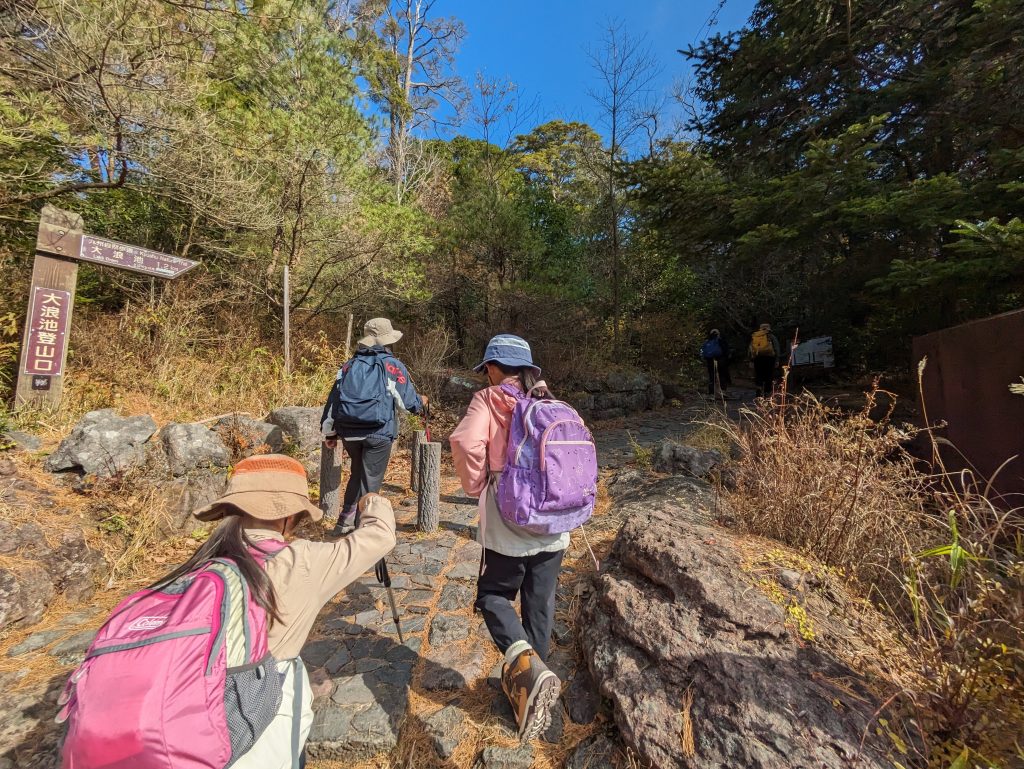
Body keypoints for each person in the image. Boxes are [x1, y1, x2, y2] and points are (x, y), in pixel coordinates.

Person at [59, 454, 397, 769]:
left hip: (169, 729)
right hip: (253, 727)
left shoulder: (202, 565)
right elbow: (379, 536)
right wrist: (372, 501)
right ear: (290, 516)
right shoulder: (301, 563)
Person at [449, 334, 568, 743]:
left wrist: (477, 482)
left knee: (493, 596)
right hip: (555, 521)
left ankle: (528, 678)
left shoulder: (488, 400)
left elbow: (466, 442)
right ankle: (533, 683)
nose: (487, 376)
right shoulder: (547, 398)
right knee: (539, 602)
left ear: (495, 368)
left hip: (510, 518)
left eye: (488, 369)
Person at [321, 317, 426, 536]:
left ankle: (345, 521)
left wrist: (330, 433)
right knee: (371, 481)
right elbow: (408, 405)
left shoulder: (348, 366)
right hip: (378, 433)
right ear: (388, 341)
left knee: (357, 473)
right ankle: (365, 530)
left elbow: (333, 401)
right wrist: (422, 403)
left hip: (348, 432)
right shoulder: (392, 365)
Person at [749, 322, 780, 397]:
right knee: (769, 375)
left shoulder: (755, 336)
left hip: (758, 358)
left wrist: (751, 360)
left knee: (759, 375)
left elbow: (750, 349)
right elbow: (776, 348)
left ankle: (759, 391)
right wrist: (777, 359)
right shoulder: (771, 337)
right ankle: (767, 392)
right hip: (770, 358)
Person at [700, 329, 731, 396]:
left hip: (710, 360)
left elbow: (702, 351)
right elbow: (726, 351)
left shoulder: (707, 341)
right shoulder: (721, 341)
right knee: (722, 376)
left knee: (712, 377)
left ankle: (711, 394)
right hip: (721, 360)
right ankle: (723, 391)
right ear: (718, 334)